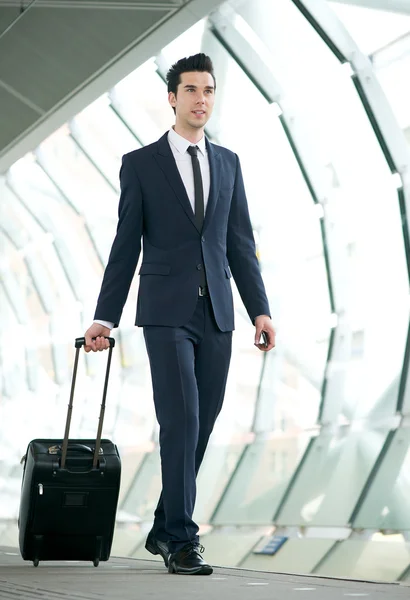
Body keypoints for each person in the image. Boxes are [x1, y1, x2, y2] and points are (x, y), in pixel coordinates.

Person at [84, 53, 275, 576]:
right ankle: (182, 540)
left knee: (203, 422)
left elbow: (240, 242)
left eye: (209, 91)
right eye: (191, 90)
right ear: (172, 97)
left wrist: (260, 309)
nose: (201, 100)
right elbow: (125, 246)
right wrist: (105, 317)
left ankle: (165, 524)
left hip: (217, 311)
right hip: (165, 313)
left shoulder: (229, 162)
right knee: (182, 417)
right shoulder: (141, 164)